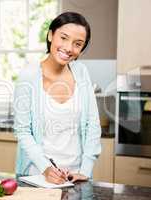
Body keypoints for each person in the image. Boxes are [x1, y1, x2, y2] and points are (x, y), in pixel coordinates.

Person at [13, 12, 101, 184]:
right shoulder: (28, 76)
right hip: (37, 175)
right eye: (64, 38)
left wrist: (85, 170)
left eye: (77, 44)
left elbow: (93, 123)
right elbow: (23, 131)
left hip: (74, 176)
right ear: (51, 35)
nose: (69, 48)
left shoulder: (81, 72)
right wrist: (46, 168)